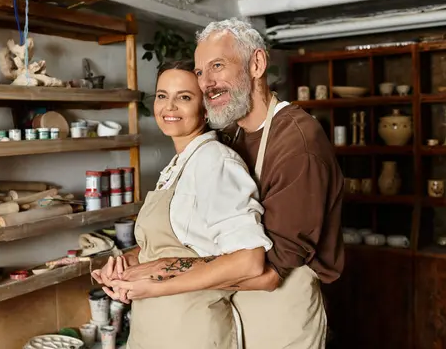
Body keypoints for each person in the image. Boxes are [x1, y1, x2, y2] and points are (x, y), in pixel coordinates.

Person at [104, 19, 345, 349]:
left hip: (281, 310)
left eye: (218, 66)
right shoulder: (233, 133)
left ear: (256, 64)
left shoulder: (298, 143)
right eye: (201, 72)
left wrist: (155, 278)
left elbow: (266, 271)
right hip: (237, 307)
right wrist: (136, 264)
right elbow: (205, 241)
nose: (206, 83)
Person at [92, 59, 273, 349]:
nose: (169, 107)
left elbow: (248, 260)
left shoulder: (215, 162)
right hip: (152, 330)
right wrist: (128, 267)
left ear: (205, 107)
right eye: (162, 96)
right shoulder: (179, 165)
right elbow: (182, 243)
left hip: (192, 332)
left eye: (184, 97)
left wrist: (158, 277)